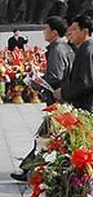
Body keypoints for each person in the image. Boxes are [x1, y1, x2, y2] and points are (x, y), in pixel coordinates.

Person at [10, 17, 75, 182]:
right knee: (48, 135)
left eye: (46, 29)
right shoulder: (63, 47)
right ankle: (30, 169)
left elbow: (55, 76)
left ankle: (29, 170)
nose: (43, 32)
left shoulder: (57, 50)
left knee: (44, 136)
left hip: (58, 101)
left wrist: (35, 83)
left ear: (54, 32)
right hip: (62, 100)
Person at [55, 15, 93, 119]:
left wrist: (63, 93)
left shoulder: (88, 52)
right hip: (85, 110)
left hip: (88, 112)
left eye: (74, 29)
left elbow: (85, 83)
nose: (70, 32)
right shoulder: (85, 50)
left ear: (85, 32)